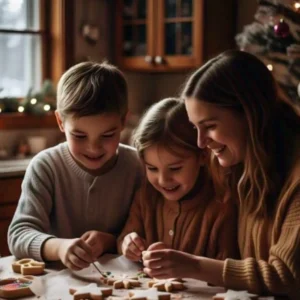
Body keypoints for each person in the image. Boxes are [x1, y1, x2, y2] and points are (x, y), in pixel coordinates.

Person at [142, 50, 300, 299]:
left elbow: (286, 277)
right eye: (195, 128)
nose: (201, 142)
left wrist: (194, 265)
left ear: (250, 116)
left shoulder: (295, 179)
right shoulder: (238, 168)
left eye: (210, 127)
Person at [8, 61, 143, 271]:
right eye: (79, 135)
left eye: (107, 135)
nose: (94, 148)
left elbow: (149, 229)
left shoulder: (138, 167)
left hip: (122, 283)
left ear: (124, 121)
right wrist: (59, 247)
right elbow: (19, 234)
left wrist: (110, 241)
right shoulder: (46, 167)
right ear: (61, 122)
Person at [117, 98, 239, 262]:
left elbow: (228, 267)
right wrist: (128, 244)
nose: (163, 180)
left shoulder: (221, 207)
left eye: (175, 168)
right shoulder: (146, 197)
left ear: (202, 156)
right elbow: (124, 239)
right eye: (152, 168)